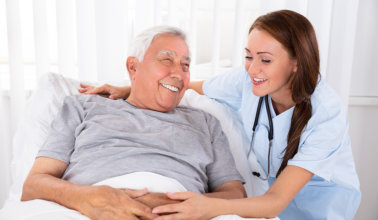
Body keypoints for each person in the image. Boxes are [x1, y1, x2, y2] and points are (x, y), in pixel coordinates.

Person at [80, 10, 361, 220]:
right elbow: (186, 85)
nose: (253, 69)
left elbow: (275, 201)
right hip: (266, 201)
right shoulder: (248, 79)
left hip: (319, 206)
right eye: (248, 56)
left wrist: (207, 205)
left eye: (265, 60)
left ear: (296, 64)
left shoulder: (325, 114)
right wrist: (128, 88)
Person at [21, 26, 246, 220]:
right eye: (167, 60)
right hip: (86, 210)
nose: (178, 73)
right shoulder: (83, 107)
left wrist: (185, 205)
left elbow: (235, 195)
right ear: (133, 67)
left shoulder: (205, 122)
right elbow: (33, 186)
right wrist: (87, 197)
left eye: (185, 65)